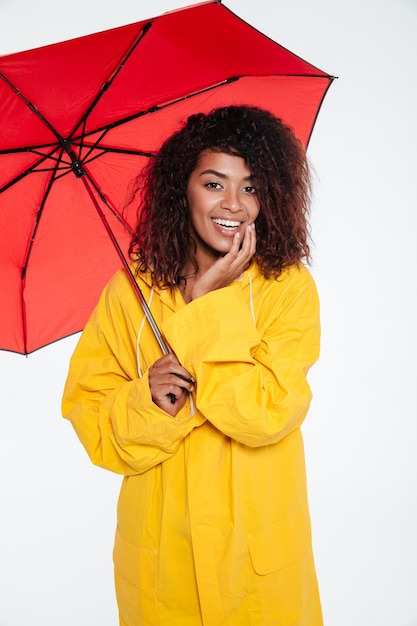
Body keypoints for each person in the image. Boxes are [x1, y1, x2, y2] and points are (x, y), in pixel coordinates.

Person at [62, 105, 323, 626]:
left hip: (253, 564)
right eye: (214, 183)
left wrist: (204, 306)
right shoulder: (130, 292)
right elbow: (92, 422)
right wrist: (147, 399)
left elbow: (269, 412)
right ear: (182, 189)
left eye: (251, 187)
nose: (234, 205)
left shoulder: (286, 288)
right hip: (162, 563)